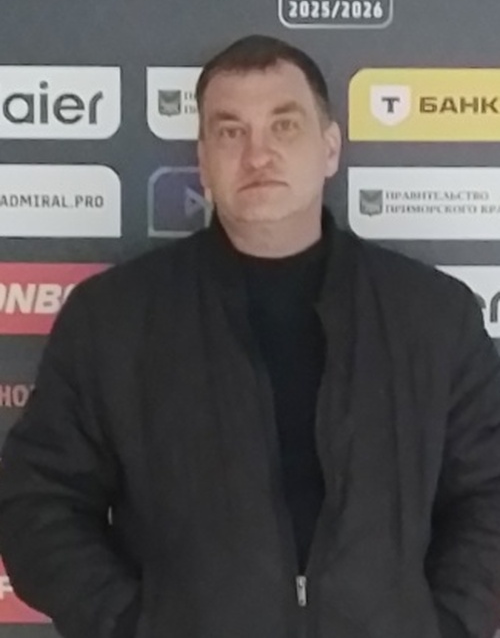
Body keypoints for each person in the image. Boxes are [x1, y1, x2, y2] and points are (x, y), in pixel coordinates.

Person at [0, 35, 499, 638]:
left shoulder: (433, 315)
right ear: (203, 159)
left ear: (330, 148)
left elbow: (488, 492)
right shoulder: (112, 318)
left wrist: (445, 625)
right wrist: (133, 624)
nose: (258, 155)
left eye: (284, 126)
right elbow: (38, 501)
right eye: (231, 131)